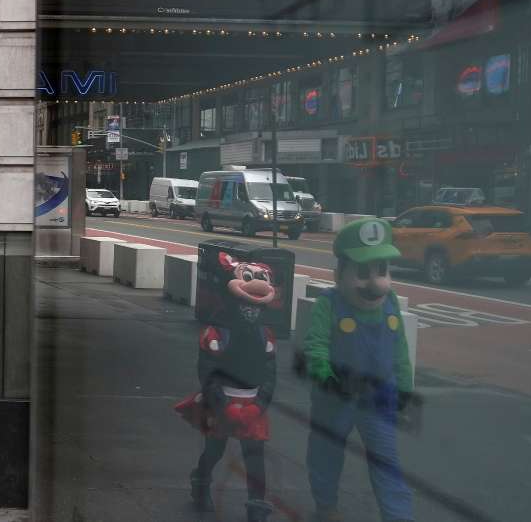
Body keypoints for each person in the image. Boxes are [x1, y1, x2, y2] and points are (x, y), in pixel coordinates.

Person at [304, 218, 414, 522]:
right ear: (340, 274)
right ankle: (326, 507)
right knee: (326, 455)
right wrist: (325, 379)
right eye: (363, 273)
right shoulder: (329, 305)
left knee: (386, 461)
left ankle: (399, 517)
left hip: (379, 397)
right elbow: (316, 346)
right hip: (336, 398)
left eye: (382, 271)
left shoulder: (390, 302)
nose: (375, 283)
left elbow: (400, 350)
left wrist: (404, 391)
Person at [175, 251, 278, 522]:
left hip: (252, 402)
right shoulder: (216, 332)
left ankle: (257, 504)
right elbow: (207, 371)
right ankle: (201, 482)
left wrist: (259, 404)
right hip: (223, 401)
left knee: (254, 456)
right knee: (214, 449)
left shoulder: (265, 334)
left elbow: (270, 373)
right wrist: (221, 403)